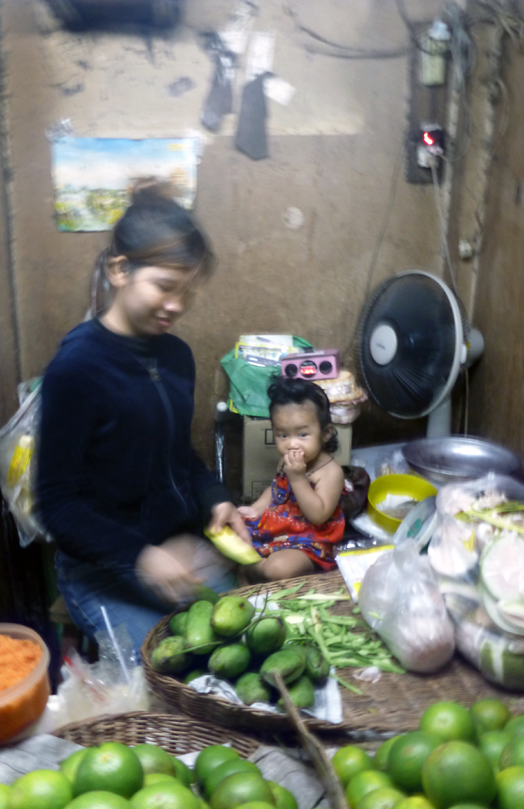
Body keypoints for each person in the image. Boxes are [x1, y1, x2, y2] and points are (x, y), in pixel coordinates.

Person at [37, 179, 249, 655]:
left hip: (179, 549)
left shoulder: (176, 356)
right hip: (104, 569)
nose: (177, 305)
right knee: (172, 675)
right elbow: (56, 506)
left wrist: (215, 499)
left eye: (189, 292)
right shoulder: (76, 369)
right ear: (120, 270)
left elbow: (177, 455)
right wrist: (141, 556)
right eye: (165, 287)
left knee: (244, 644)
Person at [238, 375, 346, 582]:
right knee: (231, 529)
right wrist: (255, 509)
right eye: (283, 435)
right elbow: (275, 489)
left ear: (325, 433)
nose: (291, 444)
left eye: (302, 435)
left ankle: (254, 568)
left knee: (278, 569)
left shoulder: (331, 472)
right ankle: (254, 563)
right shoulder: (286, 460)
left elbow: (318, 515)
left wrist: (297, 478)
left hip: (309, 540)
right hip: (277, 526)